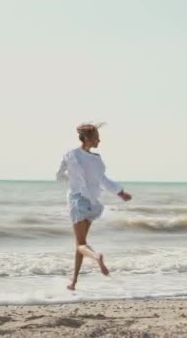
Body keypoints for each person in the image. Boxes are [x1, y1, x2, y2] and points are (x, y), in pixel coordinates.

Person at [56, 123, 132, 290]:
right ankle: (74, 282)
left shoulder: (71, 155)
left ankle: (96, 257)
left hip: (78, 200)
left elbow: (59, 175)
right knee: (81, 244)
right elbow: (103, 180)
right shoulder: (96, 159)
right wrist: (120, 193)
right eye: (97, 136)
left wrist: (71, 180)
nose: (99, 139)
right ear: (88, 138)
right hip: (92, 202)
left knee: (81, 245)